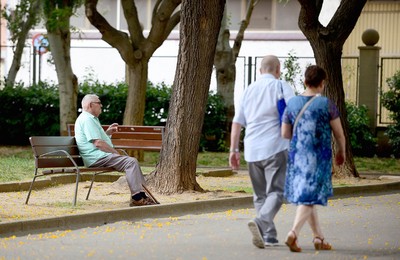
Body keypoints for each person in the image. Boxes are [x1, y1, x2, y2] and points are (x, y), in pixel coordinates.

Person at [229, 55, 295, 248]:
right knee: (276, 192)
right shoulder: (282, 86)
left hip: (252, 149)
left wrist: (234, 150)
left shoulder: (248, 90)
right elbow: (292, 111)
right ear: (278, 69)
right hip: (276, 146)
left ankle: (269, 236)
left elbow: (237, 122)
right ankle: (260, 223)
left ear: (259, 71)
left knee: (260, 195)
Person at [281, 65, 346, 252]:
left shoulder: (292, 104)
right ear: (322, 83)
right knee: (310, 198)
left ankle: (319, 238)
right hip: (319, 158)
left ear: (305, 81)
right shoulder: (326, 104)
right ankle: (293, 233)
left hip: (297, 157)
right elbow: (339, 134)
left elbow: (285, 133)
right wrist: (341, 152)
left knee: (308, 197)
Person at [74, 94, 156, 207]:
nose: (101, 105)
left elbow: (96, 139)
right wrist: (115, 152)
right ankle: (137, 198)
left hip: (98, 156)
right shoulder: (87, 119)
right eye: (99, 103)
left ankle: (142, 195)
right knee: (131, 162)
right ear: (90, 105)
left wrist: (107, 133)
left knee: (132, 162)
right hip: (96, 157)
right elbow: (98, 143)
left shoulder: (90, 119)